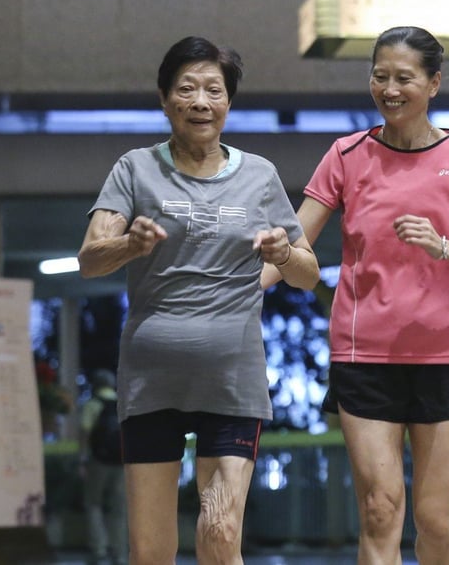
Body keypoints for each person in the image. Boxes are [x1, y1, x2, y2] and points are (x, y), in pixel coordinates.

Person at [273, 26, 449, 564]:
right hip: (363, 356)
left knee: (435, 519)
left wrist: (446, 247)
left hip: (446, 355)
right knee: (381, 508)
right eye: (380, 76)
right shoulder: (346, 155)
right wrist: (246, 285)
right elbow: (296, 246)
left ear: (434, 84)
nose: (390, 88)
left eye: (404, 78)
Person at [77, 36, 320, 565]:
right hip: (150, 379)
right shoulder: (134, 168)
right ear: (165, 98)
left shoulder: (259, 175)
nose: (201, 101)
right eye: (186, 89)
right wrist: (129, 244)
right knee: (150, 550)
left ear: (229, 103)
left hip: (231, 379)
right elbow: (90, 258)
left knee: (218, 532)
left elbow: (307, 274)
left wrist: (283, 249)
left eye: (214, 90)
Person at [78, 369, 127, 565]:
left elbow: (84, 434)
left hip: (98, 461)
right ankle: (120, 553)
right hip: (121, 463)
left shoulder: (92, 404)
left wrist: (82, 461)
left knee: (93, 504)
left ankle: (99, 551)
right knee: (119, 509)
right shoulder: (122, 405)